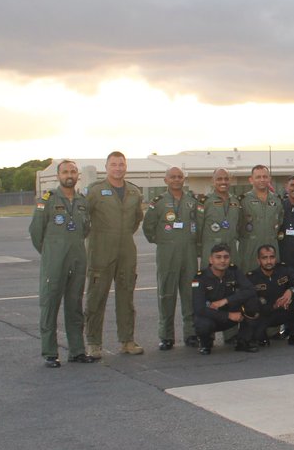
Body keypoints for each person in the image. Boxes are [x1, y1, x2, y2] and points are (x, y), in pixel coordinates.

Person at [29, 159, 93, 367]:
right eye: (65, 172)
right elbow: (36, 232)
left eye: (73, 172)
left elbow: (85, 230)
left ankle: (77, 350)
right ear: (58, 176)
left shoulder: (82, 201)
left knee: (75, 306)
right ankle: (50, 352)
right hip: (54, 262)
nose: (69, 175)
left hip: (77, 260)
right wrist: (51, 253)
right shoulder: (47, 200)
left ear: (77, 176)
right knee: (50, 305)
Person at [84, 151, 145, 357]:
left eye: (121, 164)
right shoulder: (95, 191)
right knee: (96, 296)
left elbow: (137, 220)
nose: (118, 168)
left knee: (126, 296)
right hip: (101, 250)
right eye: (114, 164)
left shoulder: (134, 192)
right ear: (106, 167)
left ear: (125, 167)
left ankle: (127, 340)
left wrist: (122, 235)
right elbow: (84, 217)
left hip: (126, 249)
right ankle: (93, 343)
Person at [143, 166, 200, 351]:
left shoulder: (192, 201)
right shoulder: (158, 202)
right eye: (173, 177)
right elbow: (148, 227)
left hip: (189, 253)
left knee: (190, 294)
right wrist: (163, 241)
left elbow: (199, 225)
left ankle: (191, 333)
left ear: (184, 179)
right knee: (166, 294)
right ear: (166, 180)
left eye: (179, 177)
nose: (176, 179)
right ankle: (166, 336)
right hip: (167, 253)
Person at [192, 244, 257, 354]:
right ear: (211, 260)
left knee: (252, 302)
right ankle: (205, 343)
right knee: (203, 323)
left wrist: (226, 301)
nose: (222, 261)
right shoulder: (200, 278)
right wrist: (228, 315)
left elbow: (251, 290)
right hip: (212, 317)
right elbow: (199, 308)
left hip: (231, 312)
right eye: (218, 257)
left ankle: (243, 341)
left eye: (226, 257)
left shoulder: (234, 271)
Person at [243, 244, 294, 348]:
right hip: (265, 315)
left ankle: (293, 335)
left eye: (272, 257)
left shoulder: (284, 269)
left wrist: (291, 291)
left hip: (285, 310)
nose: (269, 261)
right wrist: (273, 306)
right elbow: (247, 301)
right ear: (258, 260)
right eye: (264, 258)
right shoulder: (252, 277)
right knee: (257, 336)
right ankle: (261, 335)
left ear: (275, 258)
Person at [239, 165, 283, 272]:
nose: (262, 180)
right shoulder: (243, 200)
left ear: (269, 179)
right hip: (250, 248)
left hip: (271, 247)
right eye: (258, 177)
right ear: (251, 180)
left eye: (265, 176)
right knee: (250, 276)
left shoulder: (277, 200)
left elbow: (280, 222)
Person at [196, 168, 240, 267]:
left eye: (226, 179)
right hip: (211, 249)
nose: (223, 182)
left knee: (232, 275)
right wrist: (199, 249)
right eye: (219, 179)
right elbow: (198, 227)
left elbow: (239, 225)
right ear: (213, 181)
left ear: (230, 180)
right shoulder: (205, 202)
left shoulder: (236, 201)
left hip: (231, 249)